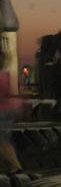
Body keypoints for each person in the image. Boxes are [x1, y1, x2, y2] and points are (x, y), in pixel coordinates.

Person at [0, 45, 23, 176]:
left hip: (2, 111)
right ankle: (16, 165)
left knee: (1, 142)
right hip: (13, 109)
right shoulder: (6, 74)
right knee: (5, 141)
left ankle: (15, 166)